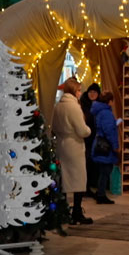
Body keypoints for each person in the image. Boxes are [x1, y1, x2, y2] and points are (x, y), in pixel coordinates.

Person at [51, 78, 93, 225]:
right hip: (74, 145)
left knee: (64, 179)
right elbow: (82, 130)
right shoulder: (73, 107)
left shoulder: (58, 106)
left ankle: (62, 211)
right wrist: (88, 130)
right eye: (79, 90)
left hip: (61, 144)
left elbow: (54, 127)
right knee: (78, 179)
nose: (81, 93)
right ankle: (76, 212)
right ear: (74, 90)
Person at [89, 92, 119, 204]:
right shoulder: (107, 113)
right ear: (110, 101)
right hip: (105, 146)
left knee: (102, 171)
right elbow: (109, 131)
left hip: (99, 144)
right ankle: (101, 194)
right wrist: (115, 146)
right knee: (105, 171)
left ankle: (100, 193)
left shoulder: (99, 112)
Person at [81, 83, 101, 197]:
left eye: (95, 92)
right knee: (86, 164)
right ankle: (85, 188)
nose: (92, 94)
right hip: (86, 138)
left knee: (94, 164)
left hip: (96, 138)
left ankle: (92, 186)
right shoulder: (83, 104)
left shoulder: (100, 105)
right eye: (90, 92)